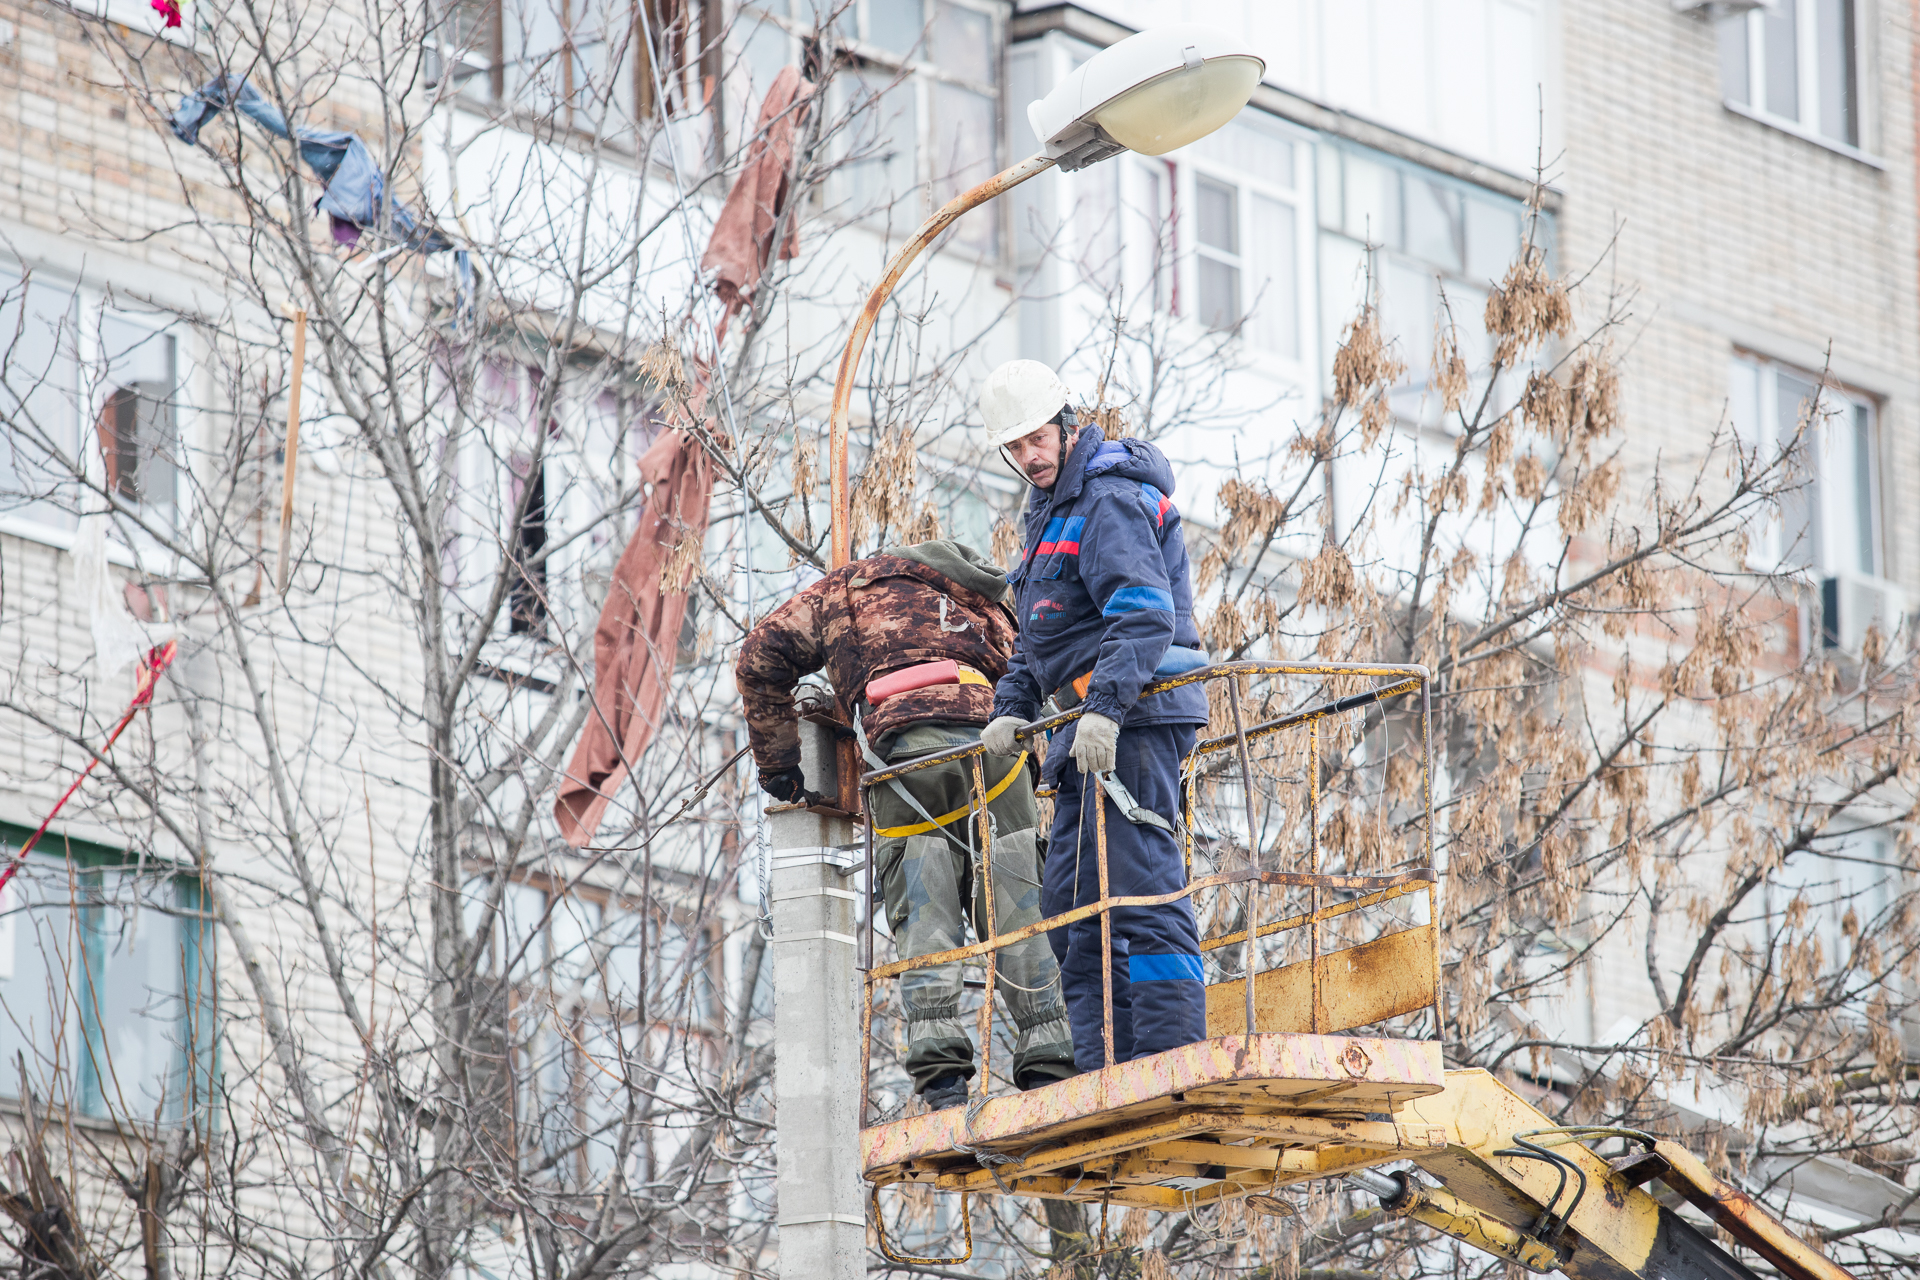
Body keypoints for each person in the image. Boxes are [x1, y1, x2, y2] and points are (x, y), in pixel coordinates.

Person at [735, 538, 1077, 1110]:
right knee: (1015, 896)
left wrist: (781, 765)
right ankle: (1049, 1062)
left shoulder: (848, 590)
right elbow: (1049, 680)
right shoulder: (991, 603)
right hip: (998, 754)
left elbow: (758, 660)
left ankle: (942, 1075)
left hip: (905, 753)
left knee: (925, 904)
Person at [977, 360, 1211, 1072]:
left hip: (1136, 714)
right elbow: (1044, 632)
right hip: (1090, 725)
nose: (1029, 457)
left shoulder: (1106, 497)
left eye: (1037, 439)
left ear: (1066, 424)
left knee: (1143, 887)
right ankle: (1101, 1065)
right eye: (1014, 448)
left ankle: (1167, 1059)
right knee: (1074, 907)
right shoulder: (1049, 512)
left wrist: (1104, 711)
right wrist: (1011, 707)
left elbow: (1143, 615)